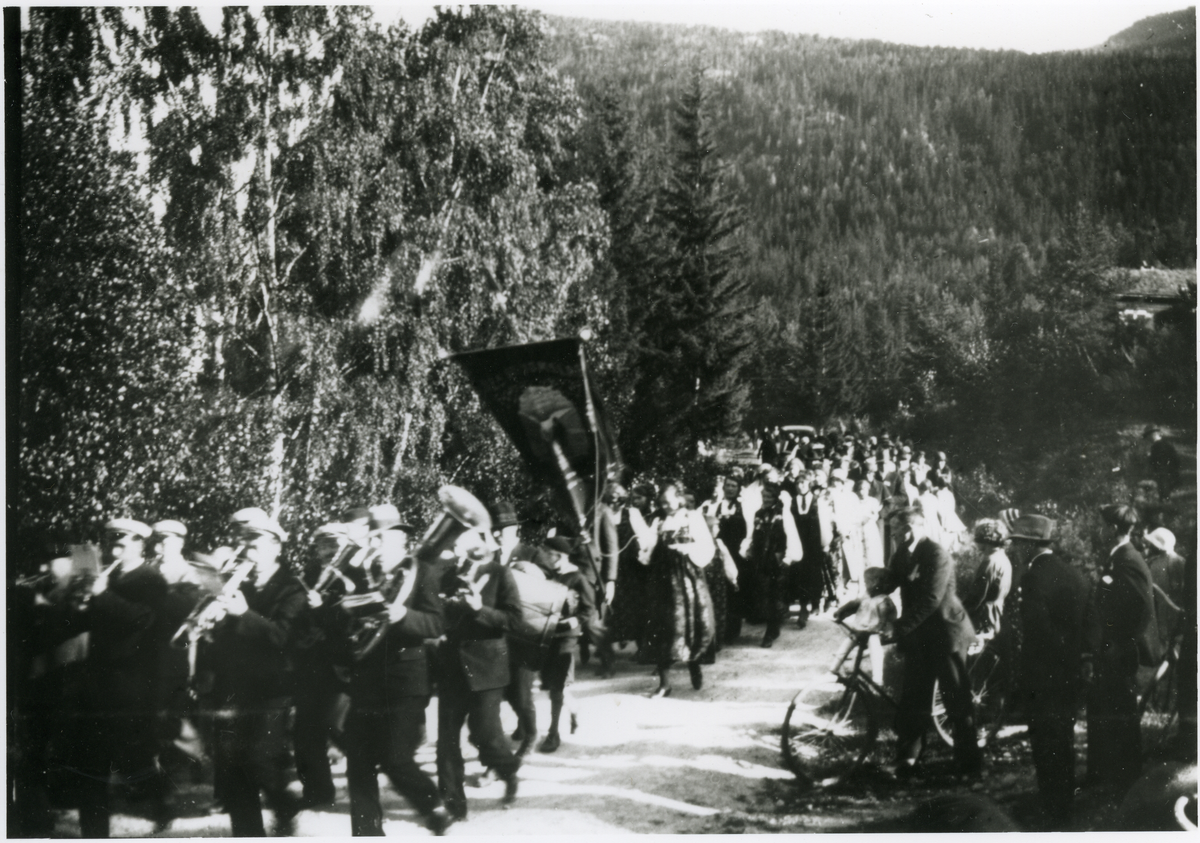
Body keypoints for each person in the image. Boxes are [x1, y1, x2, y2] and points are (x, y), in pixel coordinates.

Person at [342, 504, 453, 836]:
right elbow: (344, 617)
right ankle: (367, 834)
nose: (377, 544)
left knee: (395, 759)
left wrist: (403, 616)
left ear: (401, 539)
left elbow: (436, 623)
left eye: (384, 537)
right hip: (365, 678)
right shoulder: (360, 573)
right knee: (358, 764)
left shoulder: (423, 572)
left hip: (405, 679)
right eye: (374, 537)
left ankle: (431, 804)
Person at [198, 508, 305, 837]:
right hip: (233, 686)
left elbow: (284, 639)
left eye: (256, 545)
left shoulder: (292, 588)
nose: (248, 552)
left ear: (276, 547)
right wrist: (210, 628)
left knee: (259, 759)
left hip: (272, 689)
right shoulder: (235, 581)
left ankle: (283, 802)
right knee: (231, 769)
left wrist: (244, 614)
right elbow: (226, 639)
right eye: (245, 545)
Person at [64, 518, 174, 837]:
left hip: (132, 686)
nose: (115, 548)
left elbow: (145, 620)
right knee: (91, 767)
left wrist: (103, 595)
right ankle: (94, 833)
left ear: (139, 544)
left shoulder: (151, 579)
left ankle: (160, 798)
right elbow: (92, 622)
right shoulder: (105, 577)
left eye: (122, 542)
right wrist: (81, 604)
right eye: (111, 542)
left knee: (133, 759)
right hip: (98, 684)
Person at [879, 507, 981, 780]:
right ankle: (908, 760)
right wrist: (860, 601)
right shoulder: (902, 553)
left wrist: (898, 628)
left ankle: (969, 766)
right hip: (921, 637)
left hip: (946, 634)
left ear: (913, 527)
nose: (896, 535)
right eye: (894, 531)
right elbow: (889, 582)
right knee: (913, 697)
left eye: (899, 530)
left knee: (956, 698)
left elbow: (931, 600)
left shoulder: (936, 554)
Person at [435, 517, 523, 821]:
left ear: (482, 543)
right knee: (446, 741)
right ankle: (454, 807)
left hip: (487, 668)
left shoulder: (501, 574)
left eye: (465, 535)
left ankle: (509, 772)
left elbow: (513, 620)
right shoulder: (448, 575)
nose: (458, 541)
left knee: (486, 736)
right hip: (451, 668)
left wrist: (478, 610)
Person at [1007, 513, 1089, 830]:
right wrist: (1073, 657)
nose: (1015, 549)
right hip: (1067, 672)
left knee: (1045, 744)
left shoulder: (1032, 577)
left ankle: (1052, 813)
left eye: (1017, 543)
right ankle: (1063, 808)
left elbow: (1036, 629)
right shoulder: (1074, 574)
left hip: (1042, 674)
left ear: (1029, 545)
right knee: (1063, 741)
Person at [1084, 504, 1154, 789]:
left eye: (1103, 525)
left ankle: (1125, 781)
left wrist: (1118, 644)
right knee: (1110, 711)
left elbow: (1140, 609)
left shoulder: (1128, 560)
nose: (1100, 529)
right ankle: (1110, 775)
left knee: (1121, 714)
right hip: (1112, 650)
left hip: (1120, 653)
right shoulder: (1120, 558)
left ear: (1113, 529)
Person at [641, 481, 717, 697]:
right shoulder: (658, 520)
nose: (664, 505)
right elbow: (649, 548)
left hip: (687, 576)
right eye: (661, 502)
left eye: (668, 501)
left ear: (680, 499)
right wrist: (646, 551)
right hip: (662, 578)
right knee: (661, 627)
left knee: (690, 624)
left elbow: (706, 546)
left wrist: (686, 549)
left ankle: (694, 663)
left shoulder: (691, 517)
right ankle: (665, 683)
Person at [962, 519, 1012, 645]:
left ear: (985, 540)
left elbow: (976, 598)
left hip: (982, 622)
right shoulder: (1003, 558)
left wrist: (958, 615)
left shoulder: (990, 561)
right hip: (994, 618)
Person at [1143, 526, 1186, 654]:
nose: (1149, 546)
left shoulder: (1176, 562)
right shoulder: (1153, 562)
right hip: (1157, 615)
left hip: (1173, 616)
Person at [1144, 425, 1181, 500]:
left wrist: (1150, 458)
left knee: (1163, 488)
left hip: (1163, 473)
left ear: (1152, 435)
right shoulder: (1167, 444)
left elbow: (1156, 461)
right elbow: (1176, 459)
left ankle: (1164, 500)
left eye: (1147, 436)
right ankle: (1165, 500)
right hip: (1171, 471)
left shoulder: (1156, 446)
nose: (1147, 439)